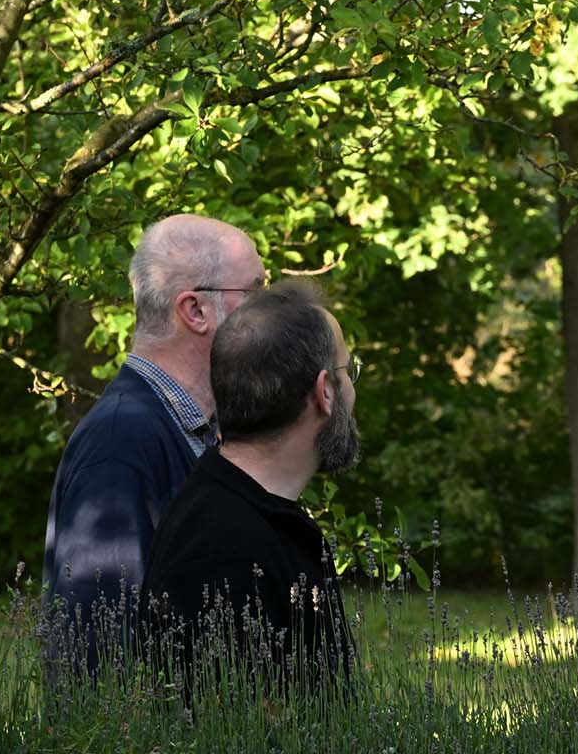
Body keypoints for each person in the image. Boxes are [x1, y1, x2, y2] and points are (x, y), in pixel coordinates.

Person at [42, 214, 266, 654]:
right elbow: (96, 658)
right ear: (196, 311)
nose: (271, 310)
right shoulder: (119, 443)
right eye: (255, 292)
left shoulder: (192, 429)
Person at [142, 281, 358, 690]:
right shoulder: (223, 549)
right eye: (351, 372)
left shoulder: (245, 511)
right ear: (325, 391)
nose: (354, 389)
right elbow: (242, 742)